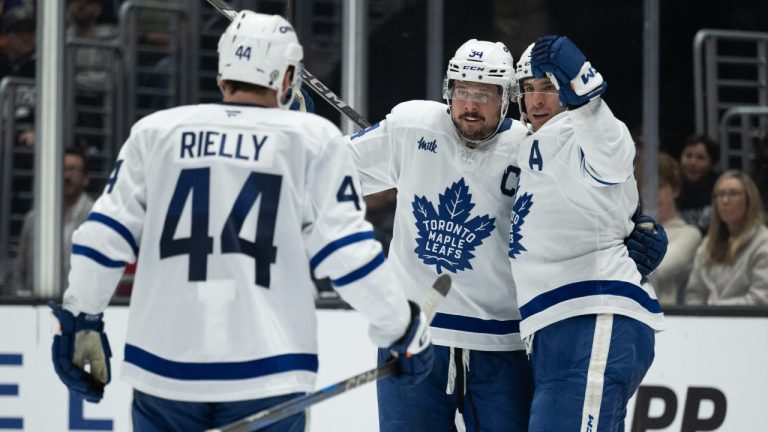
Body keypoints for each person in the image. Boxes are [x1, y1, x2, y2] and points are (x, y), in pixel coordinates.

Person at [47, 11, 433, 431]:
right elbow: (346, 254)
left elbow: (101, 240)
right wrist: (401, 326)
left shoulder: (155, 132)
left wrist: (82, 319)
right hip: (267, 369)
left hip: (163, 369)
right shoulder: (311, 140)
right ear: (287, 78)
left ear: (222, 74)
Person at [346, 38, 667, 432]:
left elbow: (602, 177)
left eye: (484, 94)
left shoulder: (530, 145)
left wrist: (634, 226)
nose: (470, 105)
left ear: (504, 99)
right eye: (462, 91)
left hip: (503, 343)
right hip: (417, 334)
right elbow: (330, 172)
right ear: (447, 91)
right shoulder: (412, 129)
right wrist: (297, 129)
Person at [510, 36, 666, 431]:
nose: (537, 100)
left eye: (548, 86)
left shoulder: (579, 132)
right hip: (558, 327)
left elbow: (612, 156)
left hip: (592, 318)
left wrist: (586, 93)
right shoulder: (529, 145)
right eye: (528, 89)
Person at [6, 147, 94, 296]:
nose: (67, 175)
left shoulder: (97, 219)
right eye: (63, 169)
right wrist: (22, 301)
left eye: (74, 170)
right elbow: (19, 270)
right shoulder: (34, 219)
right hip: (34, 310)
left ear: (86, 179)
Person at [684, 170, 768, 305]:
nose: (725, 200)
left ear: (749, 200)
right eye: (720, 194)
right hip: (706, 324)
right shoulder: (707, 244)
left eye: (733, 194)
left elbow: (761, 299)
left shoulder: (764, 242)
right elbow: (694, 293)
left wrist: (715, 309)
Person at [648, 153, 702, 305]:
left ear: (675, 189)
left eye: (660, 186)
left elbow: (654, 271)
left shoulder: (689, 235)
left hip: (668, 320)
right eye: (645, 186)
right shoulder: (630, 232)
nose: (651, 193)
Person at [678, 134, 721, 234]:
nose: (692, 162)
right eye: (688, 156)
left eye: (700, 158)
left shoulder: (720, 188)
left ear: (712, 163)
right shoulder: (672, 188)